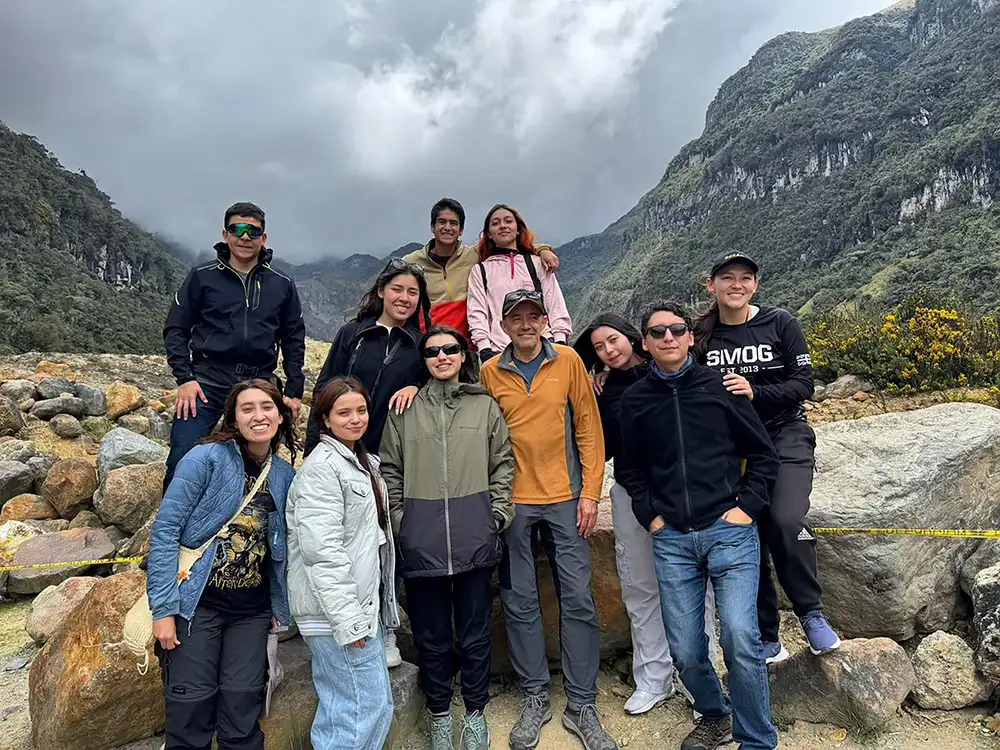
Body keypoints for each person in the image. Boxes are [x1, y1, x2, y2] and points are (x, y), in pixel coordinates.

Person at [617, 301, 780, 750]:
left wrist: (747, 507)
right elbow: (629, 469)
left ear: (691, 337)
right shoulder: (635, 401)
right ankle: (715, 714)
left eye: (676, 329)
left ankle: (757, 740)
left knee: (740, 638)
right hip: (672, 538)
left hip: (729, 530)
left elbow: (763, 454)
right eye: (657, 332)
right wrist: (652, 517)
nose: (668, 337)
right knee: (686, 650)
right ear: (645, 344)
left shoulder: (720, 386)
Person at [480, 290, 617, 750]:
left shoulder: (569, 362)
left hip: (566, 498)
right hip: (513, 503)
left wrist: (590, 493)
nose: (525, 324)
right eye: (516, 318)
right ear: (503, 325)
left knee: (577, 598)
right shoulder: (490, 372)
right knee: (519, 600)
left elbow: (589, 428)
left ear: (544, 321)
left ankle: (582, 703)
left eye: (533, 316)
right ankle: (535, 696)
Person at [693, 251, 841, 663]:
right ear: (711, 285)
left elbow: (804, 383)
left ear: (755, 285)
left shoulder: (779, 322)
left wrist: (755, 392)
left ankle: (811, 613)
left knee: (786, 518)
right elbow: (666, 360)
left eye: (745, 278)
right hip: (731, 445)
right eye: (727, 277)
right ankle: (766, 633)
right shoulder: (702, 334)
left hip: (784, 434)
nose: (736, 285)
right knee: (745, 528)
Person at [574, 314, 719, 717]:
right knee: (640, 586)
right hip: (631, 494)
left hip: (683, 492)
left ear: (633, 337)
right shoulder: (605, 388)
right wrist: (590, 394)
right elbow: (603, 447)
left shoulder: (673, 371)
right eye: (599, 348)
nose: (609, 351)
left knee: (696, 588)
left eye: (613, 340)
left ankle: (700, 684)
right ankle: (653, 677)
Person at [380, 325, 516, 750]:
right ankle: (439, 713)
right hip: (422, 543)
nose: (441, 356)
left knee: (475, 634)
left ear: (462, 356)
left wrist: (496, 516)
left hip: (475, 538)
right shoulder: (404, 409)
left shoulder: (484, 406)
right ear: (424, 360)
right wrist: (403, 523)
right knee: (431, 637)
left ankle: (474, 713)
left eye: (450, 349)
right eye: (432, 351)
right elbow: (390, 470)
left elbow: (502, 463)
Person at [147, 379, 297, 750]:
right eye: (247, 408)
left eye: (267, 407)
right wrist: (163, 610)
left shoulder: (283, 474)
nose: (258, 416)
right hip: (197, 606)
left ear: (280, 415)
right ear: (233, 418)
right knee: (190, 708)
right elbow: (166, 532)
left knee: (242, 709)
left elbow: (280, 549)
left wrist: (279, 606)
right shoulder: (205, 458)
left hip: (251, 612)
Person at [285, 376, 399, 750]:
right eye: (343, 412)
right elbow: (322, 553)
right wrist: (349, 620)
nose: (355, 419)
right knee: (359, 713)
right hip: (336, 615)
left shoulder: (359, 462)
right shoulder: (323, 469)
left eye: (361, 410)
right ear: (325, 419)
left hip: (355, 607)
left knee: (360, 707)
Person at [162, 202, 306, 492]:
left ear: (264, 238)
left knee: (253, 459)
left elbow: (293, 338)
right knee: (184, 455)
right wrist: (185, 378)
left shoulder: (281, 283)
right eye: (237, 229)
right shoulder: (202, 276)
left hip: (257, 383)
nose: (245, 237)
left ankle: (245, 516)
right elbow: (175, 328)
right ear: (225, 234)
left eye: (253, 231)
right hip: (206, 382)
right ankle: (173, 517)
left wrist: (293, 391)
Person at [403, 198, 560, 341]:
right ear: (432, 227)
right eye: (442, 222)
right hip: (431, 343)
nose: (447, 227)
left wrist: (542, 249)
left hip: (467, 345)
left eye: (453, 223)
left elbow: (508, 243)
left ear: (461, 230)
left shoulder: (473, 255)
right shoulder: (412, 262)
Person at [467, 204, 572, 362]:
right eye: (495, 223)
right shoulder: (481, 270)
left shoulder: (537, 263)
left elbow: (555, 303)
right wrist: (484, 348)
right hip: (500, 351)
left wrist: (560, 341)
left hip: (543, 348)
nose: (503, 226)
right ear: (488, 234)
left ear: (517, 229)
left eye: (508, 221)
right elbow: (477, 311)